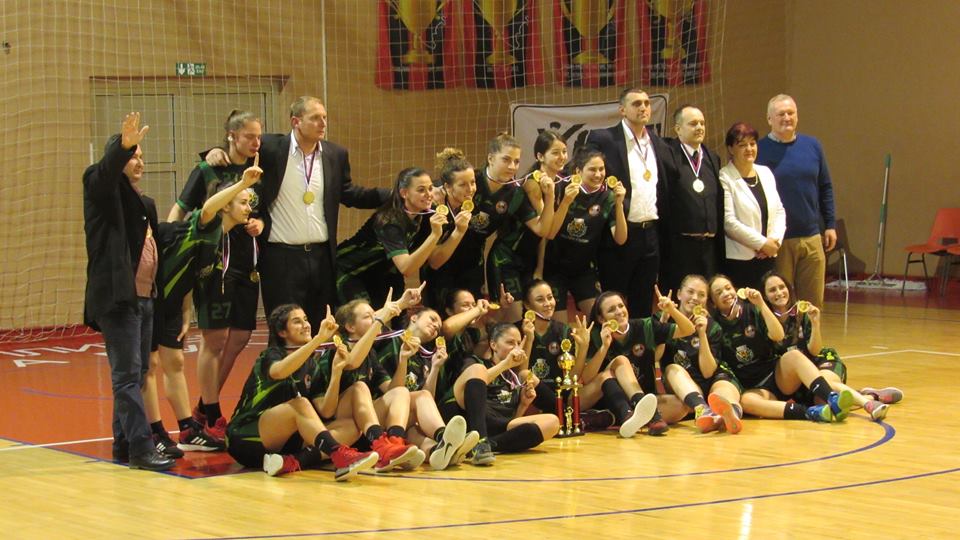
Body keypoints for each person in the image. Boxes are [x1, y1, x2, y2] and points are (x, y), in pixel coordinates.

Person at [206, 96, 388, 327]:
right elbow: (240, 149)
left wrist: (392, 195)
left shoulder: (336, 154)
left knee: (321, 326)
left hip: (322, 257)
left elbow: (349, 193)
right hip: (280, 257)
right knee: (284, 327)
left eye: (324, 117)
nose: (323, 123)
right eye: (315, 118)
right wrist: (217, 151)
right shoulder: (271, 147)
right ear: (295, 122)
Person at [82, 112, 174, 471]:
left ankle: (122, 442)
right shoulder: (98, 187)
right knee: (126, 375)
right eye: (133, 155)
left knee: (137, 374)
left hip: (146, 297)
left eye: (141, 156)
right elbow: (105, 174)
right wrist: (122, 146)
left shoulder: (143, 203)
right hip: (119, 298)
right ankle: (140, 447)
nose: (140, 161)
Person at [166, 110, 264, 443]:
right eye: (249, 136)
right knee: (215, 339)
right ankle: (212, 413)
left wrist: (260, 223)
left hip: (247, 261)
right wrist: (171, 242)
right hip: (215, 262)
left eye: (259, 136)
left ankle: (203, 406)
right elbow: (181, 208)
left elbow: (261, 210)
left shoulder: (258, 170)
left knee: (239, 338)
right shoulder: (209, 168)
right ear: (232, 136)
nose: (256, 142)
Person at [226, 304, 378, 480]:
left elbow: (326, 410)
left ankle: (293, 461)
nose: (306, 325)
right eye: (297, 321)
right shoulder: (271, 355)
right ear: (282, 332)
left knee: (350, 427)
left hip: (285, 443)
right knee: (300, 404)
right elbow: (280, 371)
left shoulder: (311, 365)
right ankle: (339, 455)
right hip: (245, 437)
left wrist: (336, 372)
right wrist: (317, 340)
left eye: (305, 319)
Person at [308, 291, 427, 473]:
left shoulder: (370, 354)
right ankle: (382, 446)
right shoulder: (337, 348)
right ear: (350, 327)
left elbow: (392, 391)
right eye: (368, 317)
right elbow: (352, 362)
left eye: (374, 315)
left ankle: (394, 443)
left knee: (402, 392)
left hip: (363, 427)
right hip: (337, 428)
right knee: (360, 387)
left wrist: (403, 359)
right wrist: (380, 320)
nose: (374, 319)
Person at [707, 275, 852, 422]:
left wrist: (761, 305)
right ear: (713, 303)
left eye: (728, 288)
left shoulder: (752, 309)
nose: (726, 293)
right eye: (719, 293)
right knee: (746, 402)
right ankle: (811, 413)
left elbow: (778, 335)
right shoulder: (714, 326)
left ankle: (832, 398)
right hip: (755, 387)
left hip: (776, 377)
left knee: (793, 355)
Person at [760, 271, 895, 420]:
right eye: (772, 290)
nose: (779, 293)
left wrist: (815, 323)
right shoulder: (763, 319)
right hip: (800, 373)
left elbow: (815, 350)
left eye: (782, 287)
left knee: (826, 385)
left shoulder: (801, 312)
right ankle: (871, 395)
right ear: (764, 296)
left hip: (820, 360)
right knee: (822, 402)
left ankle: (868, 404)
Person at [586, 88, 671, 317]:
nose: (643, 107)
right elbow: (585, 169)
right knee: (615, 302)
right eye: (636, 104)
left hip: (650, 233)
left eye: (646, 103)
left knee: (643, 301)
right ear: (622, 110)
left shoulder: (656, 142)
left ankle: (640, 340)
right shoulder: (604, 139)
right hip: (619, 234)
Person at [373, 307, 480, 470]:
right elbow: (394, 393)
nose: (436, 326)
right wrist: (401, 303)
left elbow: (426, 399)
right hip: (376, 415)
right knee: (408, 395)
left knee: (415, 431)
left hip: (401, 421)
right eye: (432, 319)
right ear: (414, 318)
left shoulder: (423, 357)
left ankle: (440, 451)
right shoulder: (390, 339)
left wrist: (435, 367)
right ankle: (446, 439)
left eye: (438, 327)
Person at [756, 94, 836, 308]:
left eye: (791, 113)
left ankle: (811, 332)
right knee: (781, 303)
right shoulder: (759, 150)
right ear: (769, 119)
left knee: (812, 303)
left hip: (811, 236)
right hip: (778, 240)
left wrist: (830, 225)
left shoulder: (813, 145)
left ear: (797, 116)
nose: (786, 118)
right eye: (780, 114)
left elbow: (825, 186)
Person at [586, 288, 696, 435]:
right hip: (611, 401)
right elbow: (586, 378)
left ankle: (618, 419)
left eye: (621, 306)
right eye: (611, 310)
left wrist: (672, 310)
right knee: (621, 361)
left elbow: (689, 329)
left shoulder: (645, 326)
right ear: (601, 319)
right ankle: (650, 417)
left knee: (680, 406)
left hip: (645, 399)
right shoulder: (595, 335)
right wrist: (604, 347)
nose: (619, 311)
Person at [335, 167, 447, 303]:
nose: (429, 194)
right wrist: (434, 235)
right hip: (348, 271)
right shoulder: (390, 222)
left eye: (430, 188)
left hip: (377, 273)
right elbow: (406, 268)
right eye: (421, 190)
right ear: (404, 193)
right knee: (363, 315)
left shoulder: (422, 214)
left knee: (392, 311)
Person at [543, 148, 627, 318]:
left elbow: (620, 239)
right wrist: (566, 202)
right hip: (554, 268)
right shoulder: (561, 188)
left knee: (602, 318)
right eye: (592, 169)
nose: (598, 174)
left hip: (583, 270)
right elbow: (549, 233)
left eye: (601, 169)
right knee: (560, 327)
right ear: (578, 171)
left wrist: (619, 205)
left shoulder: (608, 197)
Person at [481, 133, 555, 322]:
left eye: (516, 161)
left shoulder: (516, 193)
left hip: (508, 261)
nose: (512, 166)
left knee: (518, 321)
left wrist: (550, 197)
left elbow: (542, 230)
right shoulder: (473, 180)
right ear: (490, 158)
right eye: (506, 160)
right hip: (495, 258)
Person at [659, 275, 744, 434]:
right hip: (684, 385)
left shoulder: (712, 326)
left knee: (723, 390)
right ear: (679, 294)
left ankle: (729, 415)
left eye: (701, 294)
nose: (695, 298)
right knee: (672, 368)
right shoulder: (662, 319)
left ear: (706, 300)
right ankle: (703, 409)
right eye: (690, 292)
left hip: (713, 377)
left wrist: (702, 334)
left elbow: (708, 372)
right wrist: (662, 325)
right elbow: (656, 358)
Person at [660, 105, 724, 294]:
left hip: (709, 246)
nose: (699, 128)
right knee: (681, 297)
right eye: (693, 123)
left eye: (702, 123)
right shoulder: (667, 155)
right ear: (678, 129)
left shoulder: (712, 157)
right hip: (680, 246)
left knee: (707, 297)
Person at [719, 122, 786, 290]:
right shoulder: (724, 176)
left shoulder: (765, 172)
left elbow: (779, 211)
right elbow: (729, 222)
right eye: (742, 145)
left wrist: (774, 242)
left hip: (769, 256)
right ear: (731, 149)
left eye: (752, 143)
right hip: (740, 260)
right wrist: (762, 244)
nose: (749, 149)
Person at [422, 149, 477, 309]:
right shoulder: (432, 210)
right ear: (447, 187)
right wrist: (459, 231)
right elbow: (434, 262)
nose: (470, 189)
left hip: (468, 270)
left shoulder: (473, 201)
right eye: (463, 185)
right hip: (438, 277)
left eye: (473, 182)